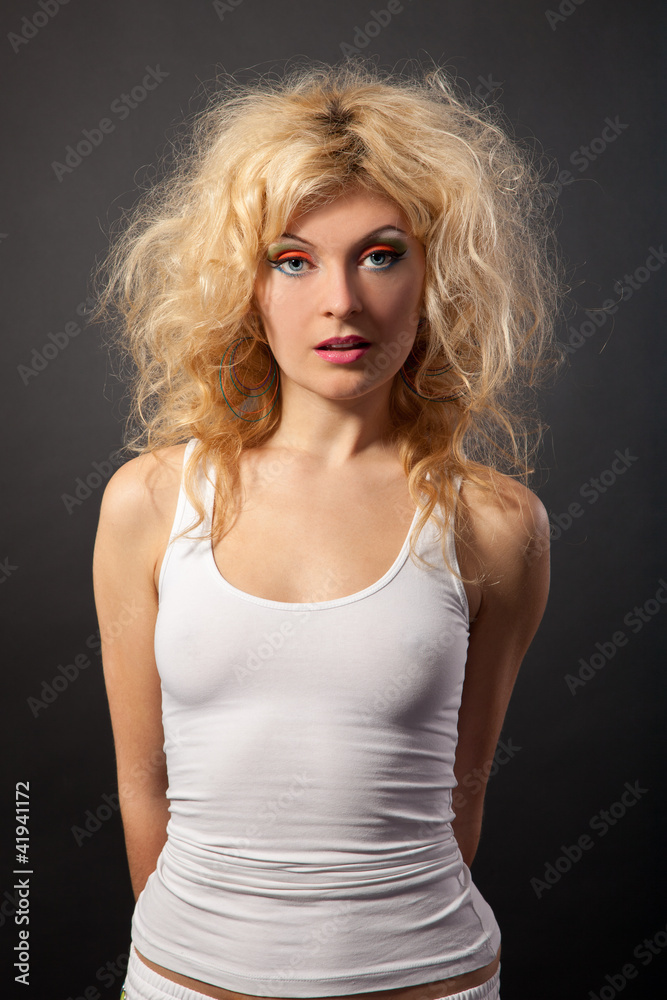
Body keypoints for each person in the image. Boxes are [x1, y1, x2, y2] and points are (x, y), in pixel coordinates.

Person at [92, 60, 560, 1000]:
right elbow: (143, 788)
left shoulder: (495, 525)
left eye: (380, 253)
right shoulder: (149, 501)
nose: (340, 300)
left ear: (435, 276)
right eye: (292, 259)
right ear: (245, 283)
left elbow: (461, 794)